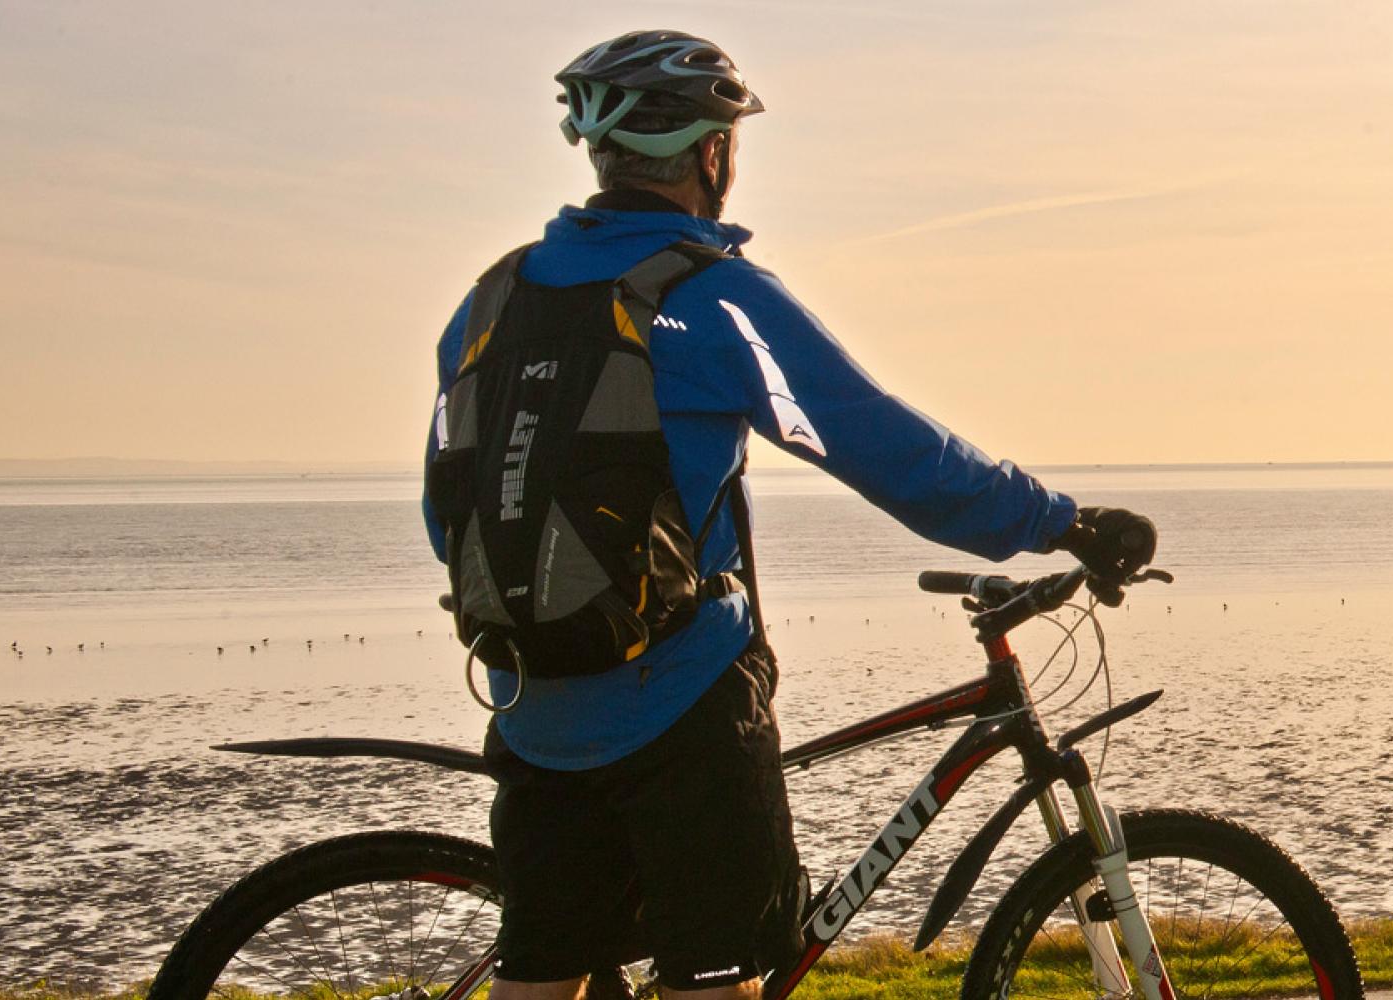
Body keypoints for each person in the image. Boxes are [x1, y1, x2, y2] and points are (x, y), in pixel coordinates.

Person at [426, 31, 1157, 1000]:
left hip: (533, 702)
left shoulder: (490, 301)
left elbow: (455, 509)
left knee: (543, 970)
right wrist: (1060, 520)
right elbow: (890, 451)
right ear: (710, 152)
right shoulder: (708, 296)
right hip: (679, 703)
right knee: (710, 981)